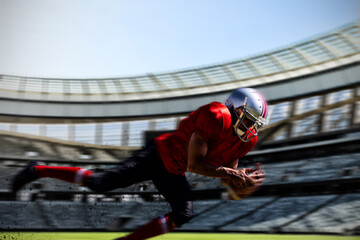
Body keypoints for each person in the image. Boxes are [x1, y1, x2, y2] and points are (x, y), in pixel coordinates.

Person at [12, 87, 268, 240]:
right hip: (158, 154)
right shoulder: (215, 115)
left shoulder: (246, 140)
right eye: (247, 121)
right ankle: (37, 169)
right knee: (99, 184)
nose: (248, 130)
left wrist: (238, 185)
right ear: (232, 109)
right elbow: (195, 164)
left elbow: (226, 178)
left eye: (254, 125)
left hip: (173, 169)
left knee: (184, 214)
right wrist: (228, 173)